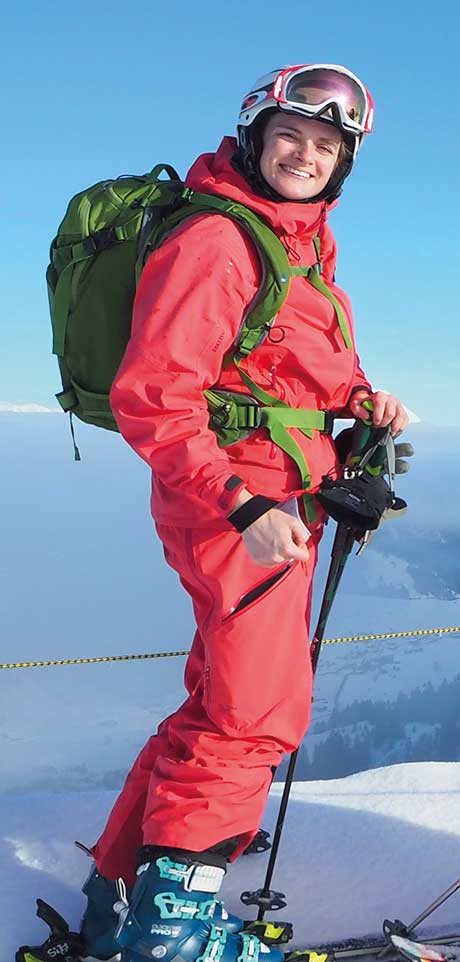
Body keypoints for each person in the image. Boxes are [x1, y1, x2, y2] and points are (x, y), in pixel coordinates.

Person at [76, 64, 405, 962]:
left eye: (328, 146)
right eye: (291, 137)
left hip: (273, 494)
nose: (306, 156)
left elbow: (283, 366)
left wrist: (364, 400)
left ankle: (122, 902)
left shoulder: (292, 242)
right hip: (232, 499)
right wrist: (242, 503)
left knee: (216, 701)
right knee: (254, 714)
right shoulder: (218, 240)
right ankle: (175, 932)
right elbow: (153, 397)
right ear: (256, 136)